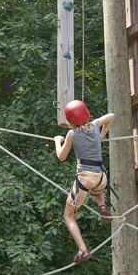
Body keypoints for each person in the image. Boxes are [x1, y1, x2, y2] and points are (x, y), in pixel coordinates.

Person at [54, 100, 115, 264]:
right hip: (101, 176)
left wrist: (57, 141)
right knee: (96, 189)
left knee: (68, 216)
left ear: (70, 120)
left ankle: (82, 250)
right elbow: (111, 116)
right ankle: (101, 205)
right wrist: (102, 135)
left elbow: (61, 157)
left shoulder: (72, 134)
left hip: (85, 178)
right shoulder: (95, 125)